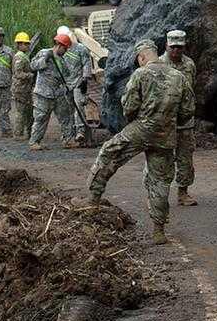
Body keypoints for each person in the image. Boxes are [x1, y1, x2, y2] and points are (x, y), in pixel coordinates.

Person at [87, 39, 194, 245]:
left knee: (110, 153)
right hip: (166, 134)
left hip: (142, 128)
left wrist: (139, 118)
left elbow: (129, 106)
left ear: (141, 57)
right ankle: (158, 230)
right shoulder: (179, 77)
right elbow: (187, 111)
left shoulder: (141, 74)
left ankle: (93, 199)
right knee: (160, 181)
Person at [157, 29, 199, 206]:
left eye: (179, 47)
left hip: (185, 121)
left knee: (185, 158)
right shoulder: (158, 64)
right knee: (161, 159)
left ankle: (183, 191)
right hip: (164, 121)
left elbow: (192, 88)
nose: (176, 51)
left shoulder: (189, 64)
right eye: (173, 47)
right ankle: (158, 194)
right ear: (166, 45)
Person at [29, 34, 80, 149]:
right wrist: (45, 59)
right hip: (43, 93)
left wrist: (70, 89)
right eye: (65, 48)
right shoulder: (44, 53)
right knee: (41, 118)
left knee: (66, 116)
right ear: (59, 45)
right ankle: (34, 142)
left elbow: (66, 75)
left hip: (58, 93)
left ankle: (67, 140)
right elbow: (32, 66)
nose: (66, 51)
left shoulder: (62, 60)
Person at [11, 32, 35, 141]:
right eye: (25, 44)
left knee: (27, 112)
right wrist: (30, 75)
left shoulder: (23, 56)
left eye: (27, 44)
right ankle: (18, 134)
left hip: (25, 89)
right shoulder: (19, 57)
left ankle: (28, 132)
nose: (27, 46)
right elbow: (18, 74)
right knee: (20, 112)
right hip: (20, 89)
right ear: (19, 45)